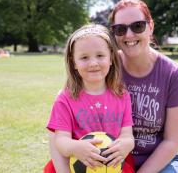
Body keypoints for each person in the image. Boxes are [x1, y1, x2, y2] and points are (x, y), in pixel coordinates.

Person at [109, 0, 178, 172]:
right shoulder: (107, 66)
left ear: (151, 26)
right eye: (120, 29)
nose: (129, 35)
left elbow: (171, 141)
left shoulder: (174, 74)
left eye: (137, 26)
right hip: (114, 158)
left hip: (158, 159)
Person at [45, 24, 135, 172]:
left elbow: (127, 135)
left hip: (113, 166)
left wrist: (126, 144)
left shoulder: (122, 95)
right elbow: (60, 140)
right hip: (78, 166)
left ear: (111, 58)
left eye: (100, 55)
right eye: (84, 57)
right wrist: (75, 147)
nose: (93, 63)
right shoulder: (65, 98)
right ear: (74, 62)